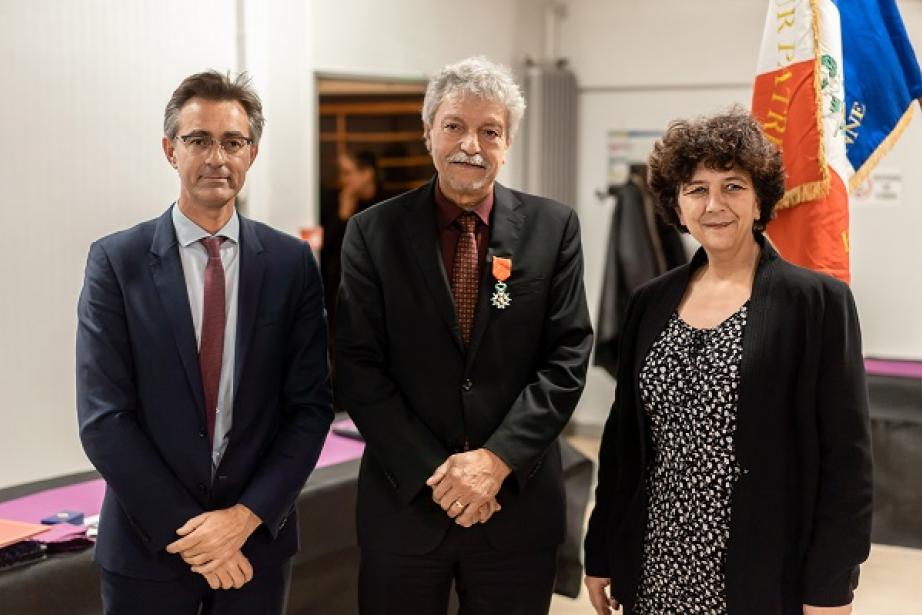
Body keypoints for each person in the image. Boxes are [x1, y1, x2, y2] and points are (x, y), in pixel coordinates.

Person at [583, 109, 873, 615]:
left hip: (761, 570)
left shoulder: (816, 303)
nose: (714, 204)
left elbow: (846, 460)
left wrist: (832, 587)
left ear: (760, 197)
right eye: (696, 189)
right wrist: (600, 549)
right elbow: (624, 439)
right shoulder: (650, 301)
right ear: (676, 202)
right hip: (655, 565)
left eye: (733, 186)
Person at [334, 56, 593, 615]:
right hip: (405, 505)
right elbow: (357, 364)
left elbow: (567, 356)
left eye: (489, 131)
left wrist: (495, 461)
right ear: (428, 132)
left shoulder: (554, 228)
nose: (470, 145)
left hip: (515, 508)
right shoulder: (372, 233)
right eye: (454, 125)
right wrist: (443, 478)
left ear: (508, 142)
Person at [76, 70, 333, 614]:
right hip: (149, 548)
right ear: (171, 150)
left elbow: (309, 409)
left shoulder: (291, 266)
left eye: (232, 141)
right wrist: (201, 539)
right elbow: (105, 418)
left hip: (254, 545)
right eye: (199, 140)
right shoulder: (116, 262)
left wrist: (241, 521)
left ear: (252, 153)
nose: (217, 156)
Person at [320, 150, 385, 323]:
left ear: (367, 174)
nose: (342, 179)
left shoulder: (387, 207)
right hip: (338, 292)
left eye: (347, 173)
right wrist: (342, 216)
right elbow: (326, 249)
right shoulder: (335, 201)